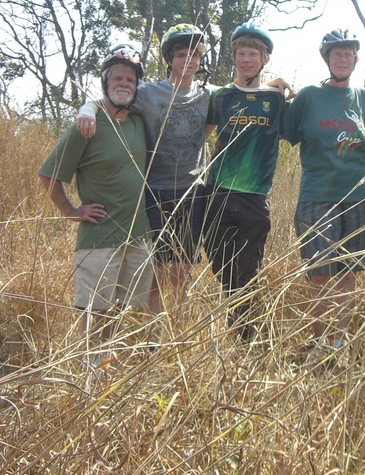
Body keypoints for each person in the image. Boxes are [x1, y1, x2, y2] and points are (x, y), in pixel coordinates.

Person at [77, 24, 213, 336]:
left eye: (194, 55)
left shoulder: (208, 96)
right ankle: (153, 338)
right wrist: (86, 109)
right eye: (181, 55)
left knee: (182, 271)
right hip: (153, 191)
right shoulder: (149, 93)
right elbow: (113, 98)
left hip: (192, 193)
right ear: (170, 59)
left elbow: (242, 93)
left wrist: (279, 82)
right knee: (157, 271)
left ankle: (172, 336)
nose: (188, 60)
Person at [39, 44, 153, 358]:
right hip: (99, 237)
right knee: (94, 311)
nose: (124, 84)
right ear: (106, 81)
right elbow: (49, 175)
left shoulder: (139, 123)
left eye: (130, 80)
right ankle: (90, 375)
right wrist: (71, 211)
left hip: (138, 235)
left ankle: (108, 374)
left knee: (122, 308)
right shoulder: (86, 126)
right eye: (118, 78)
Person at [282, 29, 365, 361]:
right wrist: (272, 89)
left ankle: (339, 343)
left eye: (348, 54)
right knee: (320, 271)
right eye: (336, 54)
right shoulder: (310, 96)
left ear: (355, 59)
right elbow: (284, 130)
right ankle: (320, 342)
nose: (342, 59)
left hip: (360, 195)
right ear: (327, 58)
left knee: (347, 273)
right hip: (317, 196)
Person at [204, 22, 289, 340]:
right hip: (218, 190)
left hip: (255, 195)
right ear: (234, 57)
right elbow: (206, 136)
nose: (246, 59)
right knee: (219, 260)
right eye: (241, 53)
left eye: (253, 53)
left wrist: (278, 85)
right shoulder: (221, 97)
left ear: (264, 58)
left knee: (248, 267)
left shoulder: (277, 99)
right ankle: (237, 315)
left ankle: (244, 336)